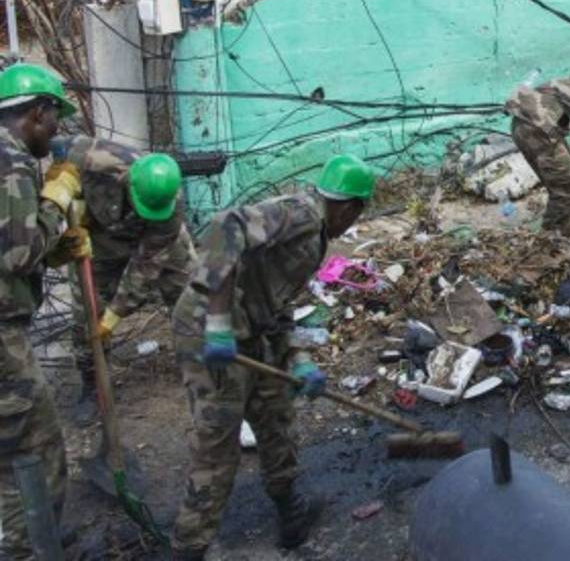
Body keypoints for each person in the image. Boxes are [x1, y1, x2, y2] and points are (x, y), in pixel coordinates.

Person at [169, 154, 375, 560]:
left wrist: (297, 357)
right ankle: (187, 548)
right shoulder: (300, 215)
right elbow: (225, 225)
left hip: (251, 331)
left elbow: (275, 299)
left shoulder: (314, 236)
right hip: (207, 330)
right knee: (218, 445)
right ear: (350, 208)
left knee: (274, 412)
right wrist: (218, 322)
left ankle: (290, 511)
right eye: (355, 215)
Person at [0, 63, 82, 560]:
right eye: (55, 119)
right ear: (36, 112)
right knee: (34, 448)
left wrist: (52, 238)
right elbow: (18, 254)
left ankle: (32, 536)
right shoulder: (8, 160)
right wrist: (59, 199)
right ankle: (27, 546)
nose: (57, 132)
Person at [55, 137, 196, 422]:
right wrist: (66, 198)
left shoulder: (170, 201)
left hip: (155, 239)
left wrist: (115, 316)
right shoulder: (92, 159)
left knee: (193, 299)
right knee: (87, 314)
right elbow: (54, 148)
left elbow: (146, 264)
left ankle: (200, 367)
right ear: (129, 184)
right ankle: (95, 385)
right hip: (100, 238)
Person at [504, 65, 570, 235]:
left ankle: (568, 223)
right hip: (540, 132)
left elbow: (553, 126)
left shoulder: (564, 84)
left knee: (557, 183)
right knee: (566, 193)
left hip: (518, 126)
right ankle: (552, 236)